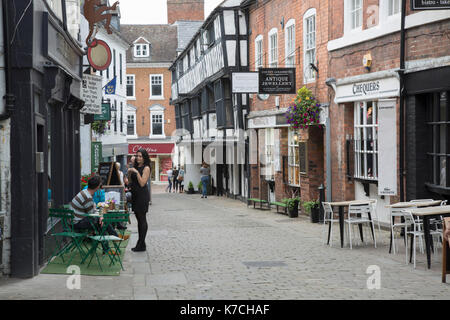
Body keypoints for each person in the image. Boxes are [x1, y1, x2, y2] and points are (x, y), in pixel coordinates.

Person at [71, 175, 129, 255]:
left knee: (101, 222)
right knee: (101, 223)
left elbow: (93, 209)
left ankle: (112, 241)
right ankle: (113, 239)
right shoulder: (87, 197)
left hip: (76, 220)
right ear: (97, 186)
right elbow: (92, 213)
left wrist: (100, 216)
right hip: (77, 223)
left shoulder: (85, 193)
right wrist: (100, 217)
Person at [128, 149, 151, 252]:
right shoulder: (136, 167)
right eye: (137, 156)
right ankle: (141, 243)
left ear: (144, 157)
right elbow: (129, 181)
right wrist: (129, 172)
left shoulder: (146, 168)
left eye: (140, 156)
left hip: (142, 196)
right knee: (138, 219)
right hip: (135, 195)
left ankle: (141, 243)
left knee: (142, 219)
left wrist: (136, 172)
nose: (138, 158)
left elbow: (142, 183)